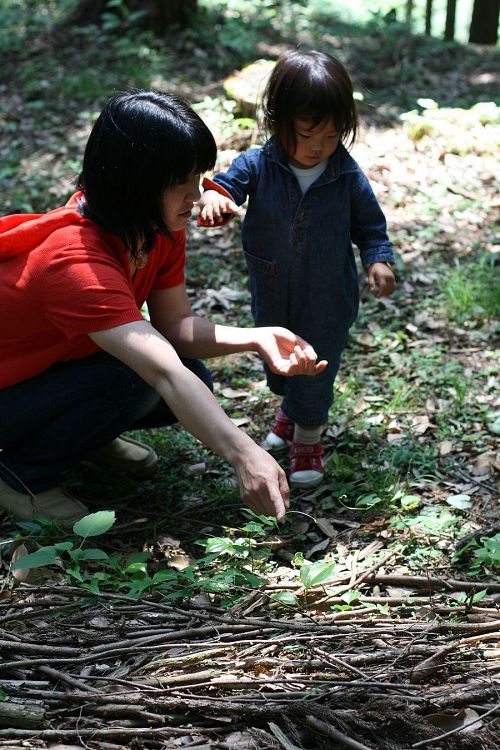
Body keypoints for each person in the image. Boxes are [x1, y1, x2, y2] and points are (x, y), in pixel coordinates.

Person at [0, 90, 328, 527]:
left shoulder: (153, 225)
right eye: (182, 182)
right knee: (136, 379)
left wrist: (256, 336)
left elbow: (174, 326)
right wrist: (244, 452)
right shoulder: (74, 260)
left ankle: (81, 440)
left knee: (183, 375)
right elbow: (162, 370)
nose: (198, 195)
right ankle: (21, 473)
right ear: (136, 182)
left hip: (43, 374)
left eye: (199, 177)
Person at [198, 49, 396, 488]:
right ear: (279, 120)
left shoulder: (345, 174)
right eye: (308, 134)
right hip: (272, 290)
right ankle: (290, 410)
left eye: (331, 136)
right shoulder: (259, 163)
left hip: (327, 294)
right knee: (281, 360)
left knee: (315, 362)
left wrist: (378, 259)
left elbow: (370, 225)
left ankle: (308, 436)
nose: (318, 147)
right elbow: (227, 184)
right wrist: (215, 197)